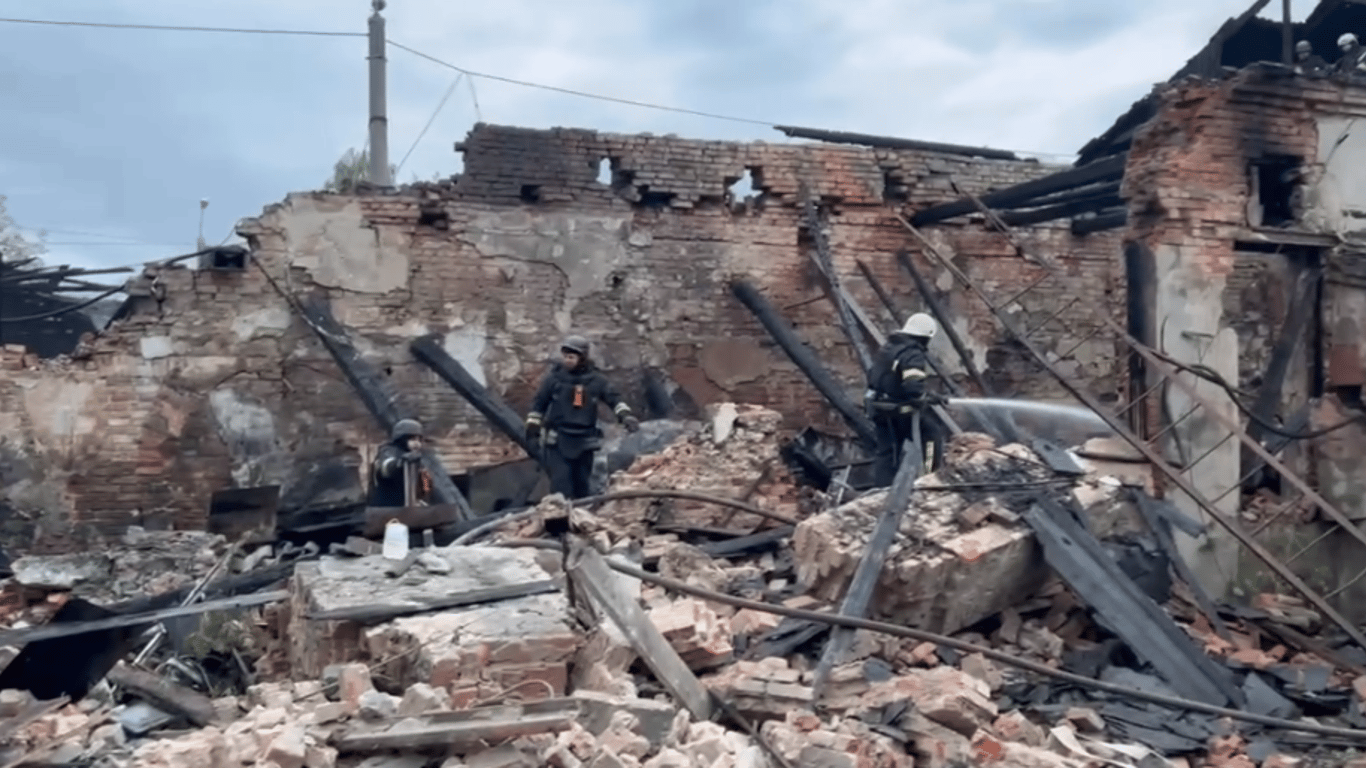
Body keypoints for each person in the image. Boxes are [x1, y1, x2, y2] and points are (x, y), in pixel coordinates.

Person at [525, 335, 641, 499]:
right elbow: (538, 405)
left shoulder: (596, 381)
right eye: (566, 356)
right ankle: (559, 515)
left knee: (582, 486)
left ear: (582, 358)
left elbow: (614, 399)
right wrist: (532, 430)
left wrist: (625, 416)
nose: (568, 360)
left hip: (584, 442)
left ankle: (581, 513)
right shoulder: (554, 380)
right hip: (558, 441)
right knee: (560, 486)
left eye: (572, 357)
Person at [865, 313, 947, 486]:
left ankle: (881, 491)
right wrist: (924, 397)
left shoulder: (888, 348)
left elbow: (877, 377)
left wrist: (925, 395)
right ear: (925, 337)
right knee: (931, 434)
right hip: (898, 412)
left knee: (887, 453)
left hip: (879, 408)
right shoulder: (912, 353)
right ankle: (929, 480)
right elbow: (913, 388)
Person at [369, 418, 432, 508]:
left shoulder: (417, 458)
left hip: (408, 505)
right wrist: (401, 462)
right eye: (413, 439)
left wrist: (425, 480)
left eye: (419, 440)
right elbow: (385, 469)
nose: (417, 443)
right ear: (402, 438)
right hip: (386, 505)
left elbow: (425, 486)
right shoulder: (389, 451)